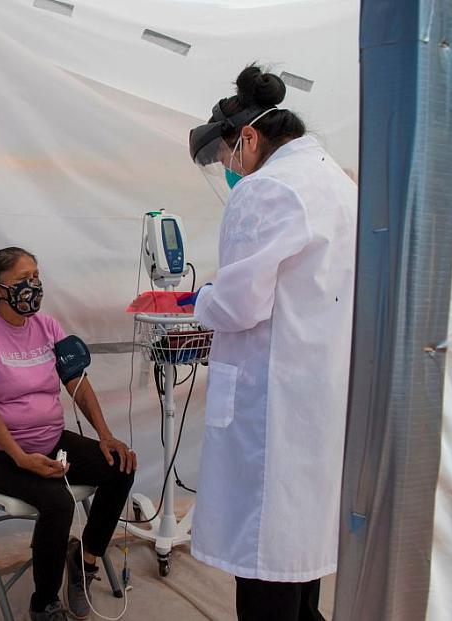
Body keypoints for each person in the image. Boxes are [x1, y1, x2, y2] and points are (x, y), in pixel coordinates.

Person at [185, 65, 357, 620]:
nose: (229, 170)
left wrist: (202, 298)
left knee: (264, 567)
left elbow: (238, 305)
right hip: (319, 397)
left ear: (250, 138)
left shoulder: (265, 189)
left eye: (228, 156)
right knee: (298, 565)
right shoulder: (337, 181)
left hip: (271, 411)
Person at [0, 247, 136, 621]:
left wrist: (106, 435)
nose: (33, 286)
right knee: (58, 502)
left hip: (49, 440)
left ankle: (84, 563)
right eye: (22, 280)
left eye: (36, 277)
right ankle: (43, 603)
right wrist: (20, 457)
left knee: (120, 465)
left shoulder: (48, 327)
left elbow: (76, 382)